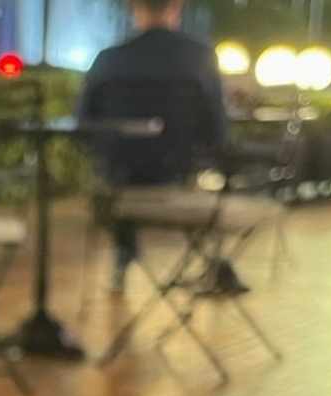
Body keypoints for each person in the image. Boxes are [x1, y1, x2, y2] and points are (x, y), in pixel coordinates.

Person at [79, 0, 229, 290]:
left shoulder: (108, 59)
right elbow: (218, 133)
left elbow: (85, 125)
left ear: (134, 7)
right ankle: (208, 263)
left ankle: (124, 252)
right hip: (180, 178)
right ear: (177, 6)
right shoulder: (201, 58)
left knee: (123, 169)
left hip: (117, 182)